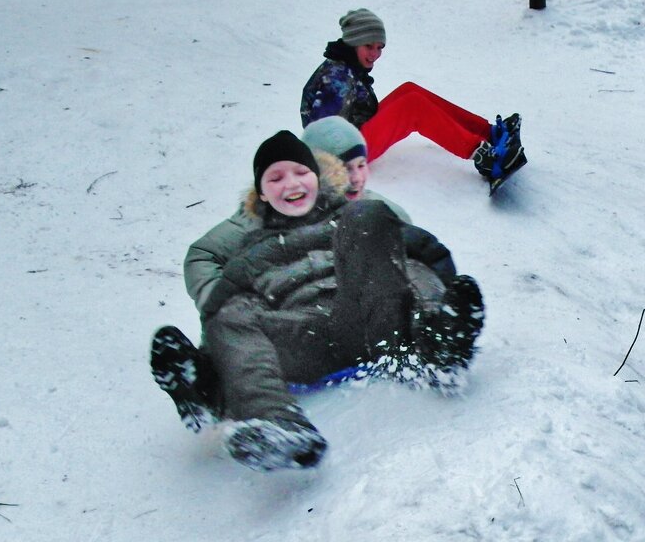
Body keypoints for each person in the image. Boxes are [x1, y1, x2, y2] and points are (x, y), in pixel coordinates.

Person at [150, 131, 484, 472]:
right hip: (308, 339)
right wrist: (209, 369)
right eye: (275, 178)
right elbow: (225, 326)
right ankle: (278, 425)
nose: (290, 184)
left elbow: (425, 258)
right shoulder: (248, 255)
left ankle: (437, 345)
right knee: (231, 309)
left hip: (376, 320)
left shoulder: (352, 217)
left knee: (387, 240)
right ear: (262, 193)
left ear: (317, 177)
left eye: (300, 172)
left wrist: (440, 296)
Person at [299, 8, 527, 193]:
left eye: (380, 47)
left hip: (354, 136)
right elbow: (320, 133)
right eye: (369, 46)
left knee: (410, 91)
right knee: (412, 108)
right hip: (343, 156)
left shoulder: (346, 66)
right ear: (353, 42)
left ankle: (489, 133)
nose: (375, 54)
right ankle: (486, 159)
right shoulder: (335, 77)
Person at [301, 114, 411, 222]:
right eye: (345, 169)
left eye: (361, 165)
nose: (357, 178)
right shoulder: (295, 222)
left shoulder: (389, 216)